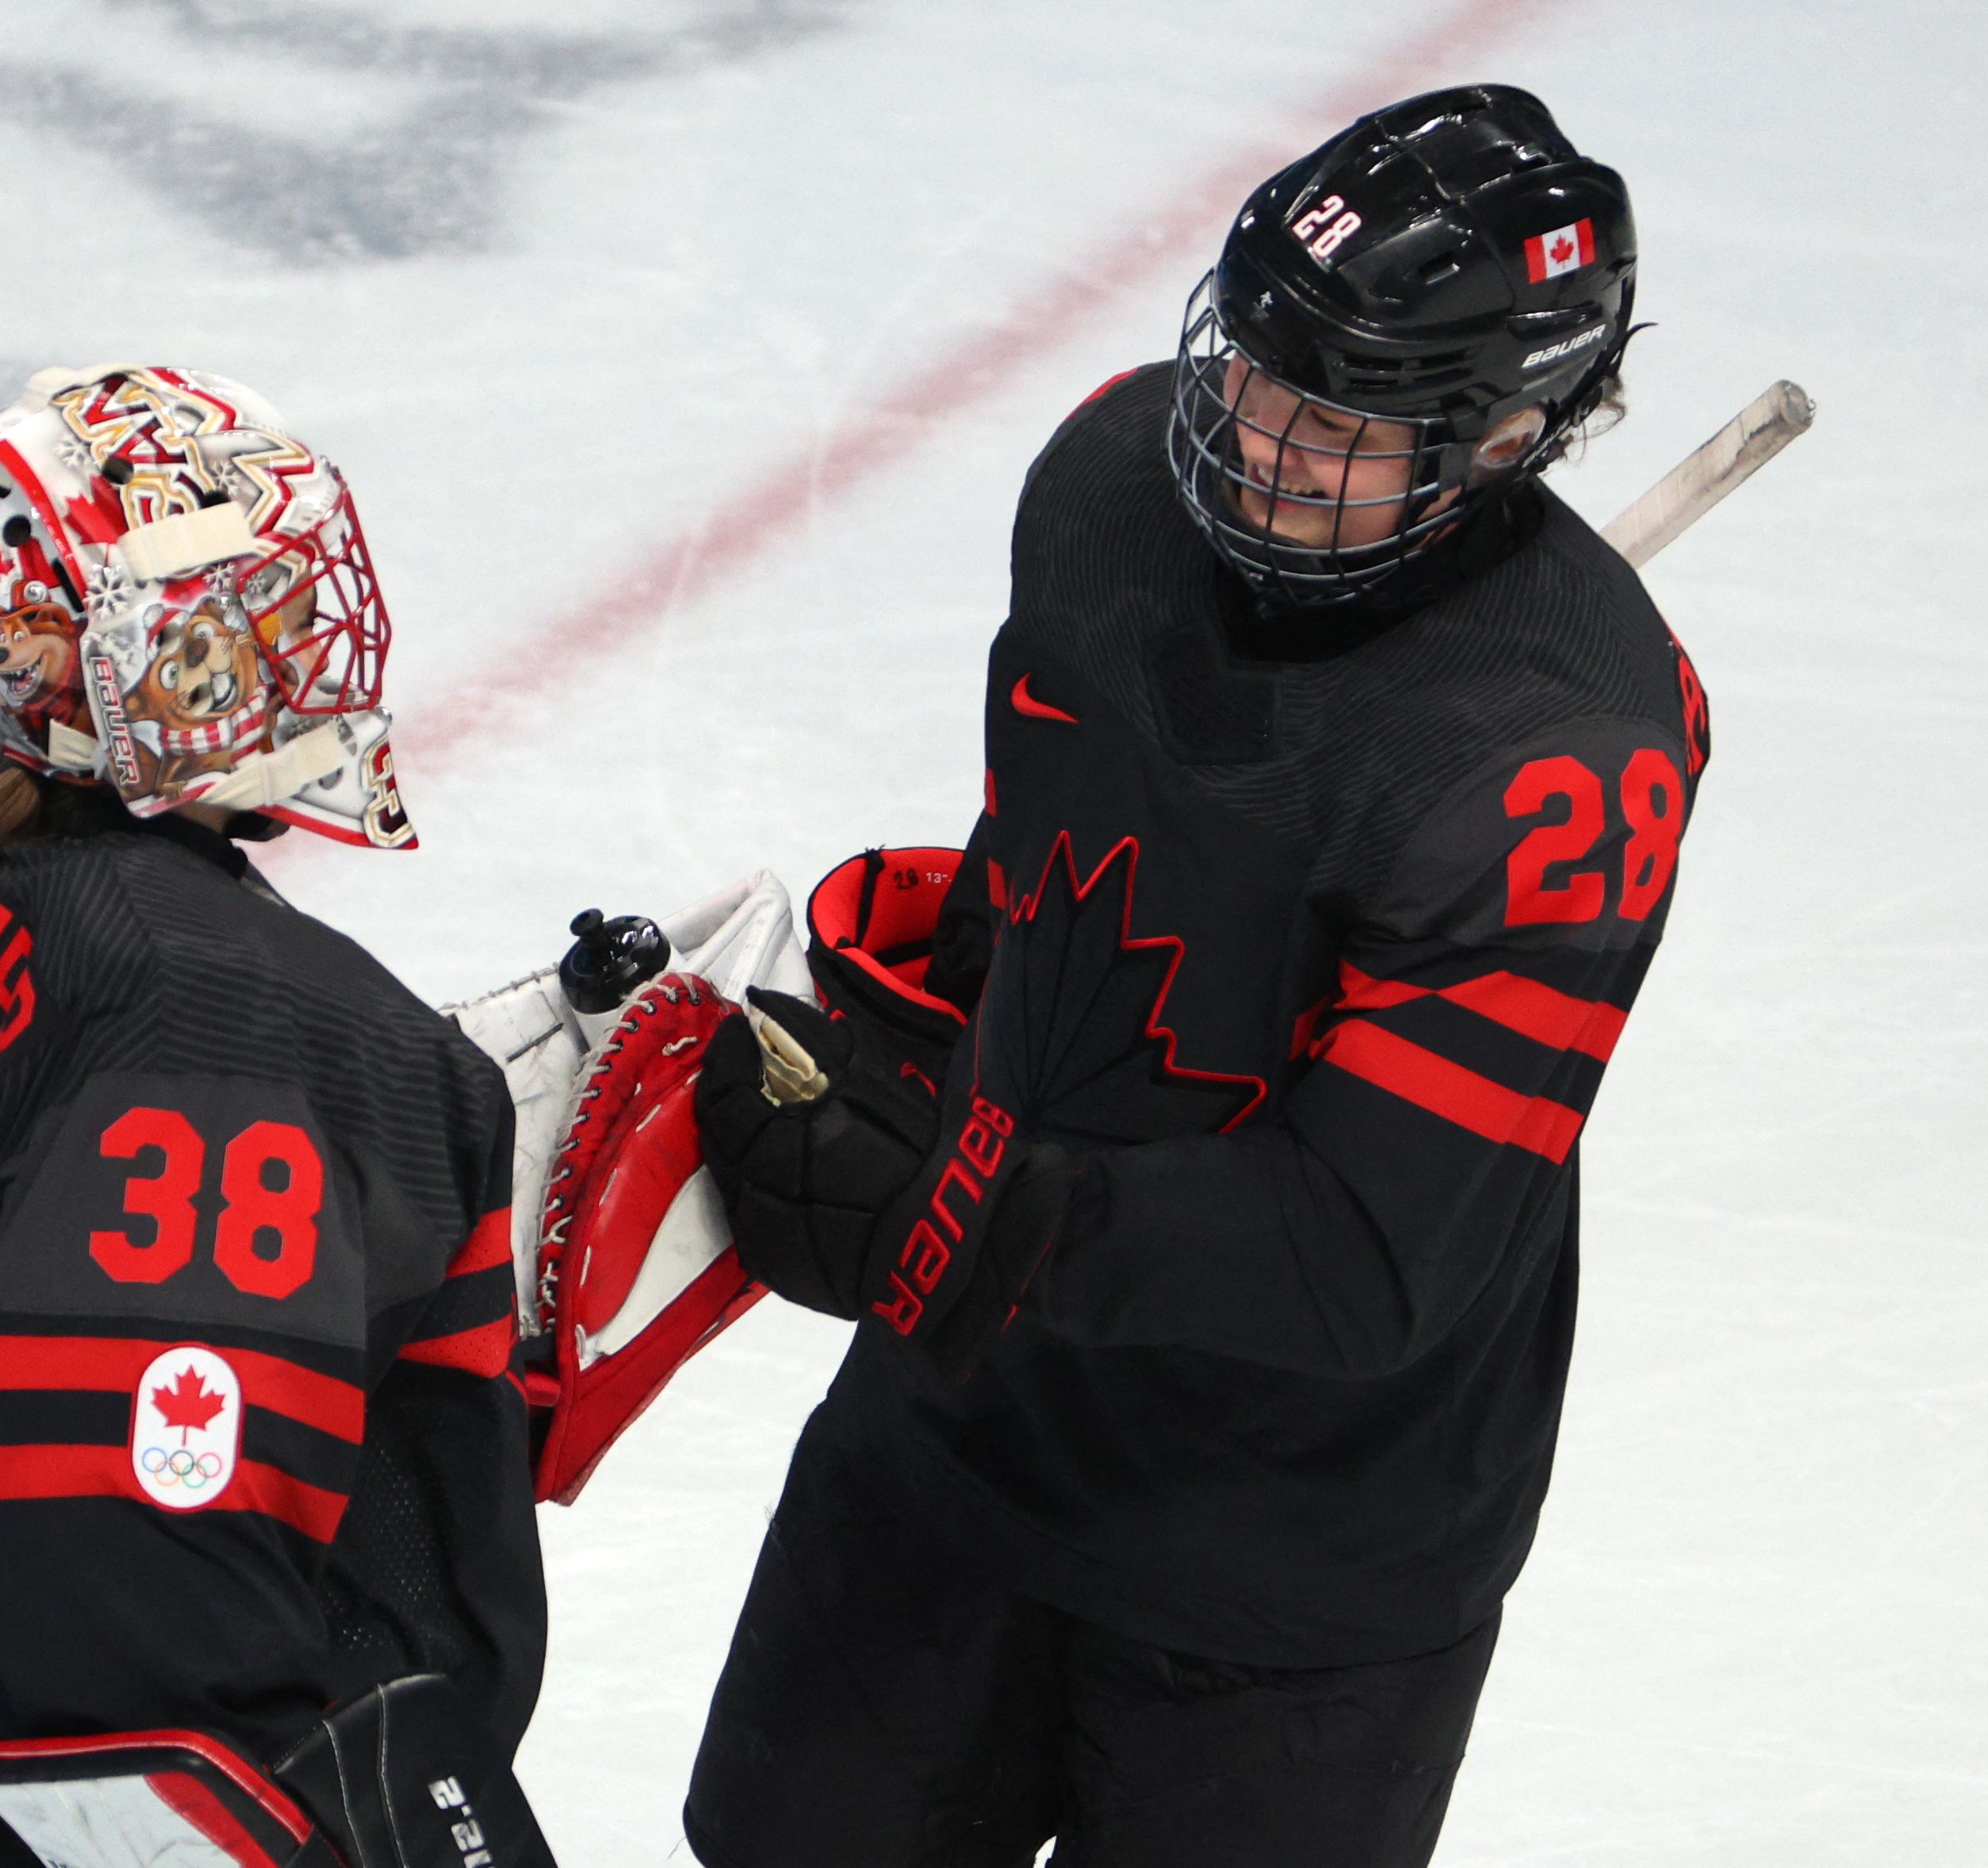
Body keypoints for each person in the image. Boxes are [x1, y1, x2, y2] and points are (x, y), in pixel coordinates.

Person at [688, 86, 1708, 1866]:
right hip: (960, 1431)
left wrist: (962, 1210)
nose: (1243, 437)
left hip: (1291, 1564)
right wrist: (892, 1045)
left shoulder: (1563, 765)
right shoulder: (1102, 480)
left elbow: (1364, 1255)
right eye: (1243, 369)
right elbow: (1041, 903)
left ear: (1499, 439)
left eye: (1328, 422)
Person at [0, 365, 550, 1867]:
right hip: (150, 1804)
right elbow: (107, 1543)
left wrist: (402, 1212)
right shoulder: (225, 1023)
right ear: (148, 667)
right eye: (265, 608)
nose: (313, 637)